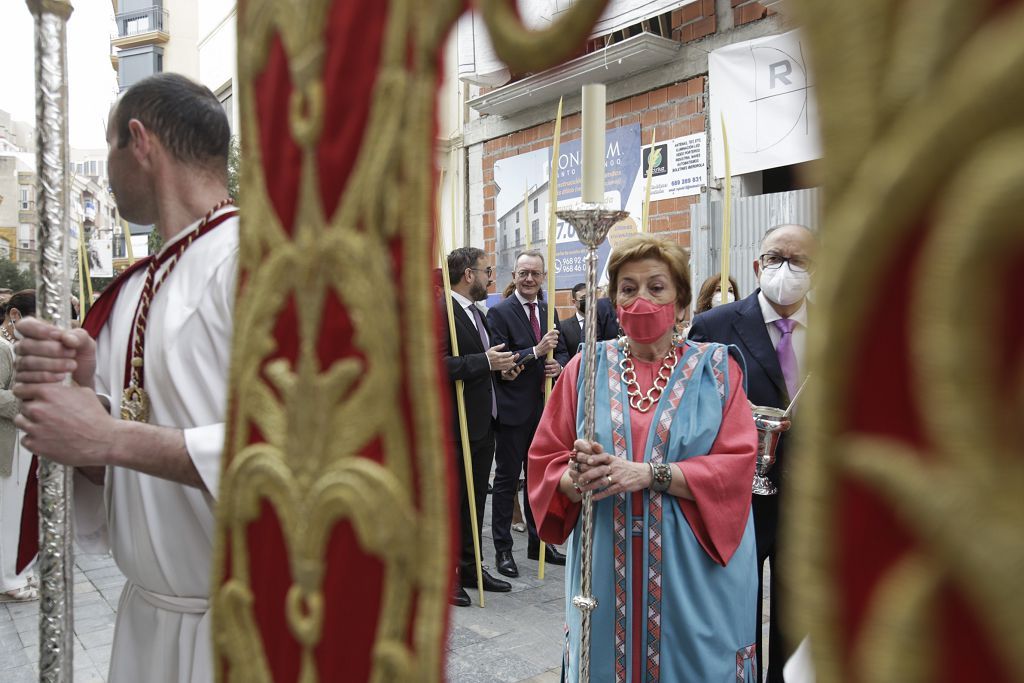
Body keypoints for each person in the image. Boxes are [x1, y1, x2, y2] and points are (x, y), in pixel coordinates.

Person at [13, 73, 238, 682]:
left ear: (138, 142)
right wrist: (79, 400)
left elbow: (296, 449)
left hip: (244, 629)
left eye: (108, 146)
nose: (108, 175)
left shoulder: (256, 260)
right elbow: (111, 472)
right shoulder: (138, 285)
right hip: (146, 624)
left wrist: (113, 437)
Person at [530, 234, 759, 681]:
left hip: (691, 566)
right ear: (614, 300)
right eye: (628, 288)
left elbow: (736, 466)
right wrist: (578, 477)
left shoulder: (716, 369)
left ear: (681, 300)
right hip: (603, 561)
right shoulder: (585, 367)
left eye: (657, 287)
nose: (641, 300)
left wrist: (648, 474)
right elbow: (545, 460)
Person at [688, 223, 818, 683]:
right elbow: (692, 412)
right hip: (736, 498)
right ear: (757, 265)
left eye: (799, 260)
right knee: (735, 612)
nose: (787, 269)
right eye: (777, 257)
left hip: (805, 504)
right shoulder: (714, 327)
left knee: (795, 619)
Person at [440, 247, 519, 606]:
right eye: (487, 271)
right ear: (468, 275)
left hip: (483, 422)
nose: (492, 277)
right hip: (453, 427)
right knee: (452, 505)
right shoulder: (441, 310)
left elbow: (482, 364)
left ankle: (471, 567)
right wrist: (483, 361)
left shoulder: (478, 313)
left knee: (474, 502)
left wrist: (502, 369)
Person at [486, 250, 569, 577]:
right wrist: (535, 352)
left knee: (539, 480)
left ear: (543, 276)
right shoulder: (500, 314)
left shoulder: (550, 311)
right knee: (508, 481)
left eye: (535, 273)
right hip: (513, 411)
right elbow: (501, 358)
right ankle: (503, 551)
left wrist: (557, 363)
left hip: (544, 410)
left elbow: (561, 349)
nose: (529, 279)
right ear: (515, 276)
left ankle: (540, 543)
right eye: (524, 273)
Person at [0, 290, 36, 602]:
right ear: (15, 316)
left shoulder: (15, 346)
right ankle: (9, 580)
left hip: (20, 441)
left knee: (17, 511)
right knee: (8, 514)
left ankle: (16, 573)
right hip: (7, 442)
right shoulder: (1, 347)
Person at [561, 282, 620, 360]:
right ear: (574, 302)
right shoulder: (564, 326)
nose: (588, 301)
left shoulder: (604, 317)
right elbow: (563, 354)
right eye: (584, 297)